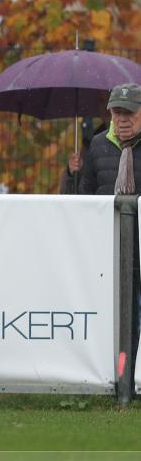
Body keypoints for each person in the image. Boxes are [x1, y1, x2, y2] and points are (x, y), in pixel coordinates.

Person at [78, 83, 141, 384]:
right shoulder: (97, 146)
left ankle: (133, 380)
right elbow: (82, 197)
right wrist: (70, 173)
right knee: (112, 318)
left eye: (129, 113)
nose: (123, 119)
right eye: (117, 112)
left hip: (140, 247)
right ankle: (117, 381)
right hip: (106, 249)